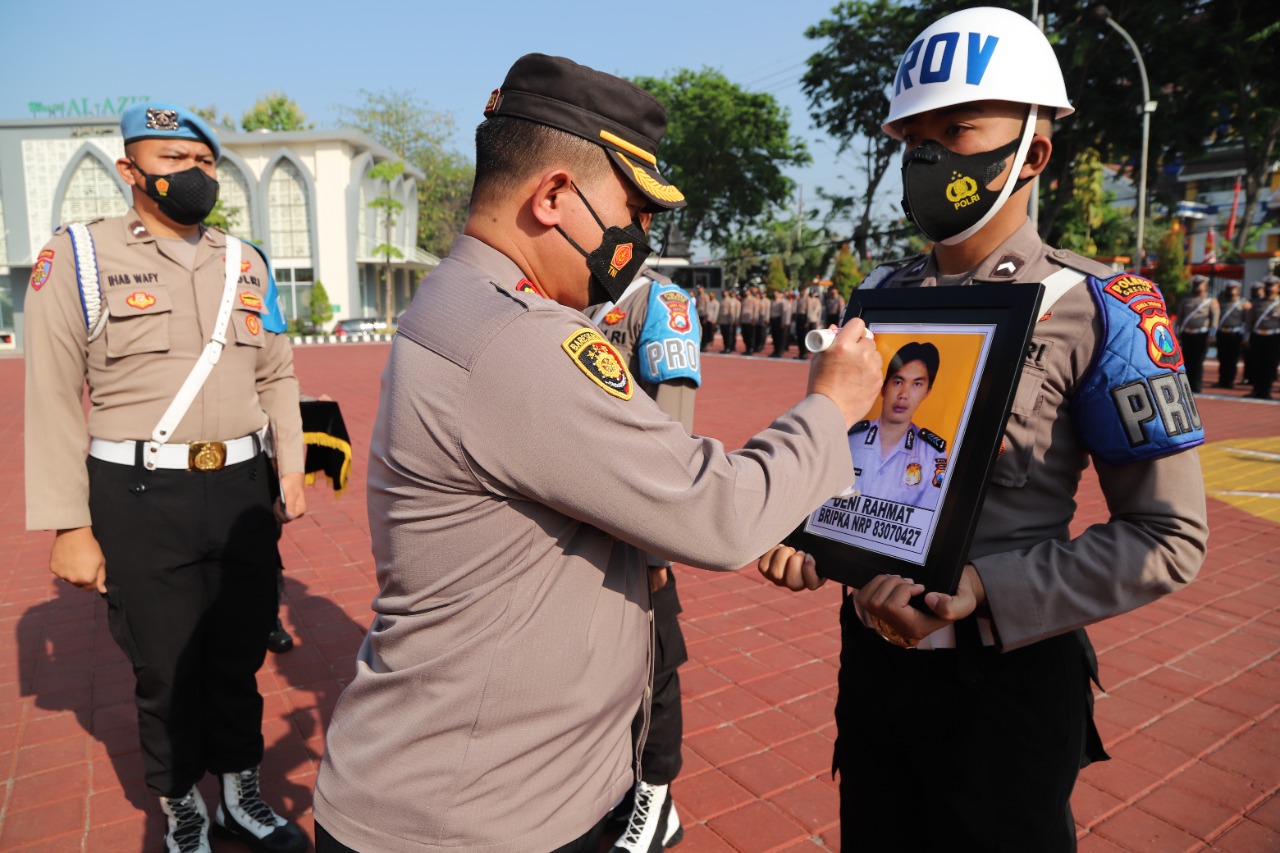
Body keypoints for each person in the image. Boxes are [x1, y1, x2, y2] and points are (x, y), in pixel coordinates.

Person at [310, 53, 884, 853]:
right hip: (475, 818)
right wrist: (832, 405)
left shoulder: (460, 299)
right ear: (551, 196)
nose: (639, 238)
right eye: (632, 211)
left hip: (484, 787)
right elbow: (716, 513)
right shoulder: (519, 338)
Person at [758, 9, 1208, 851]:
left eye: (957, 128)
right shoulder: (881, 299)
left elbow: (1168, 537)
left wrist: (985, 594)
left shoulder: (1103, 308)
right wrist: (806, 532)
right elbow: (850, 462)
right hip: (874, 673)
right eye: (913, 136)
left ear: (1033, 153)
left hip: (1005, 683)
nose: (929, 155)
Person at [23, 103, 309, 853]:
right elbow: (51, 394)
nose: (194, 176)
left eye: (205, 163)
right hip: (142, 496)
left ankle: (243, 793)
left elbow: (277, 369)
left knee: (239, 650)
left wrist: (292, 466)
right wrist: (69, 524)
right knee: (166, 666)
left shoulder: (245, 260)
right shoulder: (78, 257)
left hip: (243, 486)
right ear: (129, 171)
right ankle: (183, 807)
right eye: (174, 161)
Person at [592, 267, 699, 852]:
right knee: (603, 670)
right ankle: (624, 786)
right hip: (584, 525)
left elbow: (672, 439)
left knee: (653, 670)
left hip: (635, 536)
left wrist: (657, 545)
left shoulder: (659, 304)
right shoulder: (575, 297)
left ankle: (657, 800)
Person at [848, 342, 948, 511]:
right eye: (898, 382)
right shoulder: (850, 438)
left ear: (927, 392)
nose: (904, 395)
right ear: (883, 386)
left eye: (917, 384)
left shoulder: (932, 454)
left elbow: (926, 518)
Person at [1176, 274, 1218, 392]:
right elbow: (1179, 318)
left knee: (1198, 361)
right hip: (1187, 334)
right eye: (1195, 284)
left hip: (1202, 334)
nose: (1197, 287)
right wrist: (1177, 332)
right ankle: (1186, 386)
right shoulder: (1186, 300)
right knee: (1187, 361)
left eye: (1200, 285)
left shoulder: (1210, 301)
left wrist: (1212, 334)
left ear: (1205, 286)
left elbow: (1214, 319)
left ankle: (1196, 386)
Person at [1247, 274, 1280, 399]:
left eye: (1272, 286)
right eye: (1267, 285)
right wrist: (1247, 338)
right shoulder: (1256, 303)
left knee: (1270, 365)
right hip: (1258, 336)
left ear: (1278, 287)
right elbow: (1250, 321)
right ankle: (1256, 390)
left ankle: (1266, 391)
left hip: (1273, 338)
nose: (1269, 288)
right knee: (1256, 364)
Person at [1214, 281, 1248, 388]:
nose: (1231, 291)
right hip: (1222, 332)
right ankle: (1222, 380)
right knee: (1222, 358)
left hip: (1235, 334)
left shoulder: (1243, 303)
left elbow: (1246, 320)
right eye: (1229, 289)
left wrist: (1245, 336)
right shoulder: (1220, 302)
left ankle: (1229, 381)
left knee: (1232, 359)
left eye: (1233, 289)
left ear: (1238, 290)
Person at [698, 284, 719, 352]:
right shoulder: (699, 296)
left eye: (700, 288)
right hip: (699, 315)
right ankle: (701, 345)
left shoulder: (705, 296)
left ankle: (704, 346)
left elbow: (707, 306)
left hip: (704, 315)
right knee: (700, 331)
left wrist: (706, 317)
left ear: (703, 288)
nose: (699, 289)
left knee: (704, 332)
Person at [719, 288, 739, 353]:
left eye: (725, 292)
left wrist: (731, 320)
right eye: (723, 292)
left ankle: (729, 348)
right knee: (724, 335)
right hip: (722, 321)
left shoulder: (730, 301)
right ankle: (725, 347)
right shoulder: (722, 301)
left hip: (728, 321)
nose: (724, 293)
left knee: (728, 336)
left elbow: (732, 312)